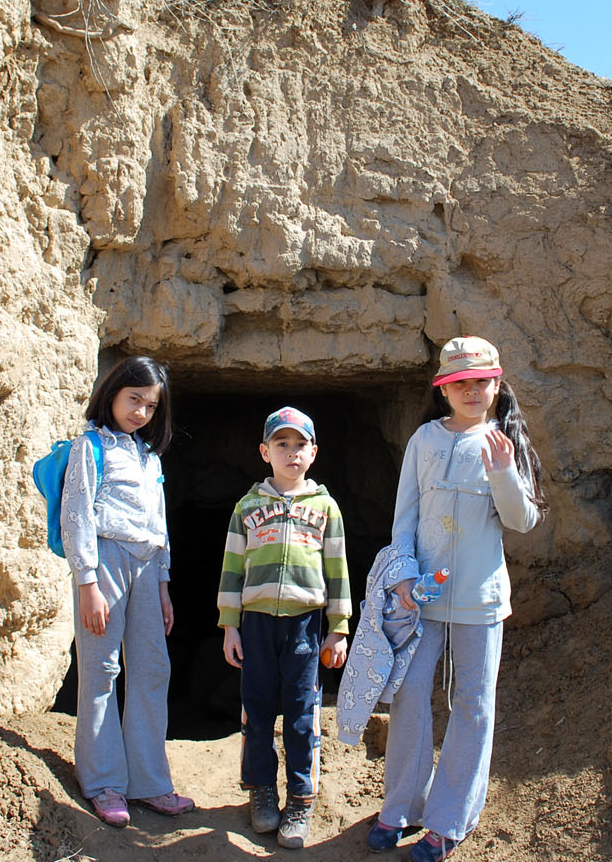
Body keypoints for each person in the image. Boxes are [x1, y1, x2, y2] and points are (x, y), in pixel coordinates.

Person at [367, 337, 547, 862]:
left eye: (483, 382)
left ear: (497, 385)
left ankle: (449, 821)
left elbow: (523, 521)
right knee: (409, 696)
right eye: (461, 382)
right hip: (421, 601)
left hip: (482, 603)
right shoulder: (423, 441)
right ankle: (400, 807)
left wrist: (503, 472)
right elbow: (403, 519)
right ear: (443, 389)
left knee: (472, 707)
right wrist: (401, 577)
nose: (473, 390)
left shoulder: (503, 441)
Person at [61, 355, 194, 827]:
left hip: (145, 567)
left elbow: (159, 527)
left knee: (152, 670)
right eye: (133, 399)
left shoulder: (148, 457)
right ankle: (103, 783)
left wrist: (163, 586)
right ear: (112, 394)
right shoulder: (90, 446)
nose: (140, 412)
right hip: (105, 561)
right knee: (100, 670)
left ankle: (150, 783)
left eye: (151, 405)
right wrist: (87, 582)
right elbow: (76, 514)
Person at [217, 406, 353, 850]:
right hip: (255, 623)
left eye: (299, 445)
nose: (291, 453)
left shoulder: (326, 508)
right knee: (256, 710)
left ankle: (301, 798)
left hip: (305, 625)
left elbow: (337, 569)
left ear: (313, 453)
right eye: (282, 444)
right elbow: (232, 568)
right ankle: (261, 792)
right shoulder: (247, 506)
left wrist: (339, 627)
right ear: (264, 451)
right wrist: (229, 625)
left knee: (300, 712)